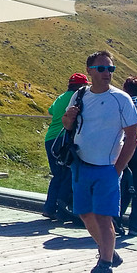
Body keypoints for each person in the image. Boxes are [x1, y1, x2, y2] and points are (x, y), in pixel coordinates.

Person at [62, 50, 137, 273]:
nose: (107, 73)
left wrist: (117, 169)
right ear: (90, 71)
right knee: (85, 215)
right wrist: (68, 118)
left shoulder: (122, 99)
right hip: (80, 164)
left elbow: (132, 138)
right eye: (102, 68)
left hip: (107, 168)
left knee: (105, 219)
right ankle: (109, 251)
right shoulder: (80, 94)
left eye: (110, 69)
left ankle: (105, 267)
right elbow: (67, 126)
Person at [43, 72, 90, 220]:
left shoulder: (61, 97)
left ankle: (49, 208)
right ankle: (62, 210)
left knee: (57, 174)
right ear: (81, 86)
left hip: (51, 138)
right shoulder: (78, 97)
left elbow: (51, 111)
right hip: (65, 139)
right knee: (68, 174)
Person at [119, 76, 137, 236]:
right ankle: (136, 225)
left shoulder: (123, 103)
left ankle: (116, 222)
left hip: (124, 147)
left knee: (123, 185)